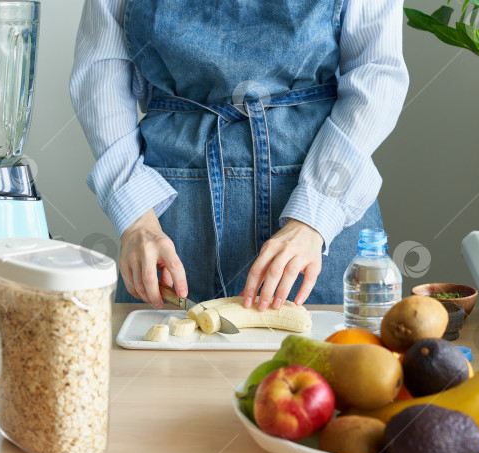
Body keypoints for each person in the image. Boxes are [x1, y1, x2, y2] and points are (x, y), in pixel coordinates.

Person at [70, 0, 408, 311]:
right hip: (167, 222)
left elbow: (378, 73)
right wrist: (137, 220)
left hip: (320, 223)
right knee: (164, 374)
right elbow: (99, 75)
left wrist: (314, 217)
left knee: (337, 369)